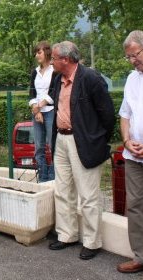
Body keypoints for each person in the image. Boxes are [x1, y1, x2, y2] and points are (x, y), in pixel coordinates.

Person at [48, 41, 115, 260]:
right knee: (63, 190)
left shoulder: (90, 78)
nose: (51, 61)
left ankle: (92, 242)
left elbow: (108, 116)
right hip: (61, 140)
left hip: (84, 142)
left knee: (88, 196)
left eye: (54, 58)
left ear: (65, 60)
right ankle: (67, 235)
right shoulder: (58, 79)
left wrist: (96, 140)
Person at [117, 30, 143, 274]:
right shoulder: (132, 78)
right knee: (134, 206)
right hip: (134, 156)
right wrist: (126, 140)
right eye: (129, 57)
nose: (133, 61)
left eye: (135, 55)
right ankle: (140, 256)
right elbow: (125, 114)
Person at [29, 41, 57, 182]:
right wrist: (37, 110)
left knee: (53, 146)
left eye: (39, 52)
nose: (36, 55)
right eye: (35, 53)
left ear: (46, 52)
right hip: (37, 112)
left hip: (50, 111)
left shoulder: (54, 71)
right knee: (39, 148)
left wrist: (40, 106)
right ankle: (43, 178)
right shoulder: (34, 72)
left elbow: (53, 92)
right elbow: (31, 93)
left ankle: (53, 179)